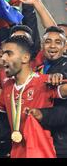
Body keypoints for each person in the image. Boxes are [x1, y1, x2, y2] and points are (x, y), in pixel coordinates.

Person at [29, 27, 67, 157]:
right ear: (42, 45)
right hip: (37, 134)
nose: (52, 46)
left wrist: (61, 75)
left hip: (61, 140)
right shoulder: (36, 68)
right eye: (48, 41)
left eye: (58, 42)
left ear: (65, 47)